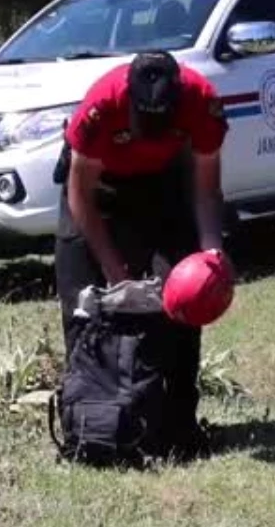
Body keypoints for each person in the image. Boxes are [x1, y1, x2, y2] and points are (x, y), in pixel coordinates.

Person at [53, 50, 230, 459]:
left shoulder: (201, 101)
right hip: (98, 191)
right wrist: (116, 275)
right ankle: (87, 429)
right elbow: (81, 198)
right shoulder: (100, 106)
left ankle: (177, 429)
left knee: (179, 303)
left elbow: (205, 191)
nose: (149, 131)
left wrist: (211, 251)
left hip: (164, 186)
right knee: (82, 304)